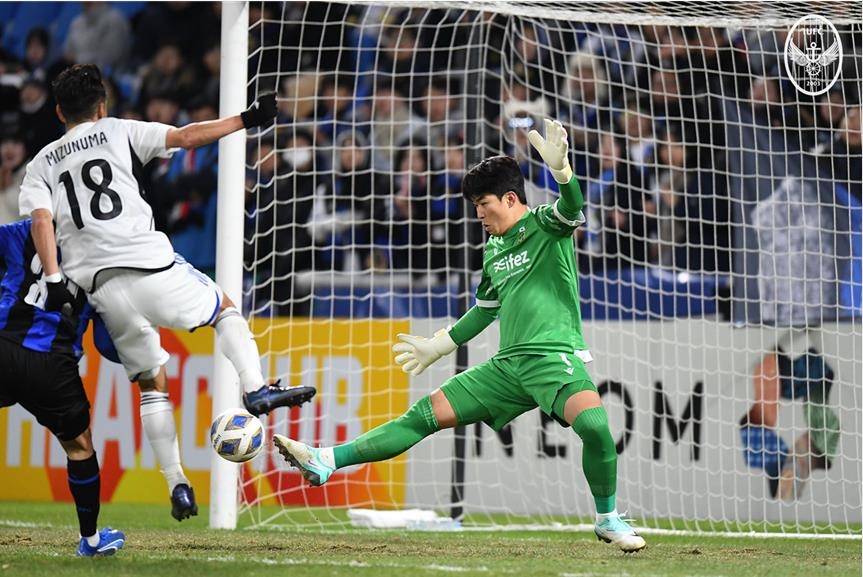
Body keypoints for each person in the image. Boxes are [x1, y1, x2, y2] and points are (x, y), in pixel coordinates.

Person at [274, 119, 647, 553]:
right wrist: (440, 344)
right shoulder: (493, 249)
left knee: (596, 427)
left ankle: (607, 518)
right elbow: (485, 310)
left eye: (484, 204)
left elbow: (573, 206)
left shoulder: (547, 224)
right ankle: (325, 461)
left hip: (552, 358)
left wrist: (563, 175)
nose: (479, 214)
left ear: (511, 199)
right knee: (423, 415)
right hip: (507, 367)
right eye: (474, 206)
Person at [17, 64, 316, 521]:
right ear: (102, 106)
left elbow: (40, 222)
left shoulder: (40, 164)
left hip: (101, 287)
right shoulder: (117, 130)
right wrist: (246, 119)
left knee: (150, 384)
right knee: (224, 310)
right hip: (149, 262)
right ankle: (255, 390)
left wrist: (56, 282)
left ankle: (177, 484)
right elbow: (187, 137)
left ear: (58, 112)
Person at [0, 218, 124, 556]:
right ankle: (92, 540)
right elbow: (106, 343)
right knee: (80, 447)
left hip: (3, 343)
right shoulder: (106, 255)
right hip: (52, 366)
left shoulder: (23, 232)